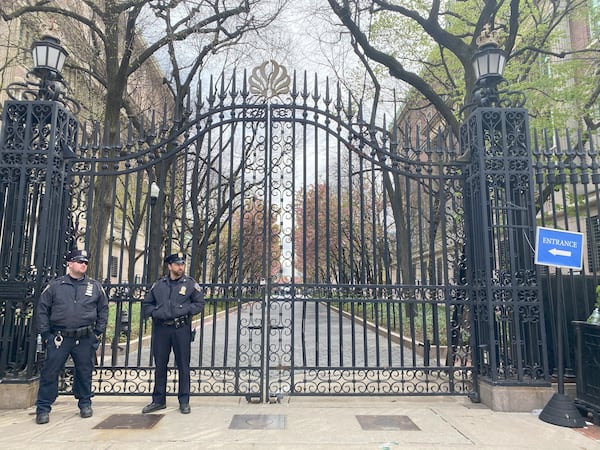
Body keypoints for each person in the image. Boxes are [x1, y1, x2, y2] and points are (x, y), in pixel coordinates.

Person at [34, 249, 108, 425]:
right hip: (60, 336)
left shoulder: (94, 286)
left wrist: (97, 332)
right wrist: (46, 335)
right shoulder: (55, 286)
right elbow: (42, 310)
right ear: (69, 264)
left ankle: (85, 403)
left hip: (85, 336)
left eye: (85, 262)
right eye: (79, 261)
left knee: (84, 371)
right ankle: (43, 407)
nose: (83, 265)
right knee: (50, 372)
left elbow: (103, 310)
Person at [142, 252, 204, 414]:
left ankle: (184, 400)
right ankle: (158, 400)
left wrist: (183, 310)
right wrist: (156, 312)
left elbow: (199, 304)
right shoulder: (159, 284)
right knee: (160, 364)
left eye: (182, 264)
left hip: (181, 329)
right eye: (177, 264)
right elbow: (147, 304)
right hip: (161, 329)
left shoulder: (190, 284)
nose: (180, 267)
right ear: (169, 266)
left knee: (183, 364)